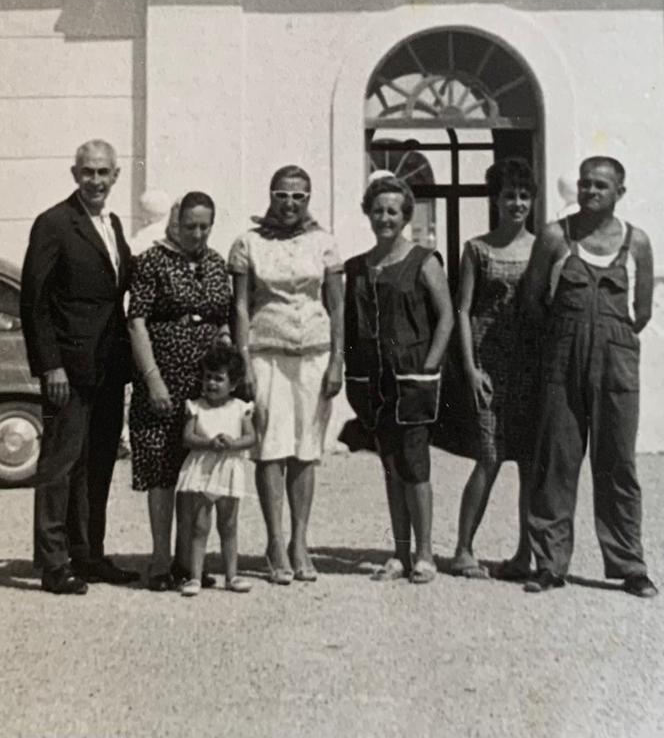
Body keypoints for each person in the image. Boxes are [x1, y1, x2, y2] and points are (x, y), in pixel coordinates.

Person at [521, 155, 659, 597]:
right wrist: (568, 333)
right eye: (585, 184)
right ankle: (549, 563)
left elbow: (643, 310)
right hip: (562, 358)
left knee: (618, 462)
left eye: (601, 185)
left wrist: (610, 338)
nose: (590, 192)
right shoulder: (555, 238)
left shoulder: (636, 243)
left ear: (620, 191)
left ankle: (629, 565)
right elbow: (533, 299)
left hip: (616, 360)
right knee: (556, 461)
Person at [20, 139, 139, 595]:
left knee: (99, 463)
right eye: (87, 172)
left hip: (109, 365)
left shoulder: (111, 224)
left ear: (115, 176)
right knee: (59, 466)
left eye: (103, 172)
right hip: (68, 368)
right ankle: (53, 562)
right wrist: (50, 366)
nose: (95, 181)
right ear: (75, 175)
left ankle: (88, 554)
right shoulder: (53, 224)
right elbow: (35, 301)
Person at [230, 164, 344, 585]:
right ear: (271, 195)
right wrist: (242, 359)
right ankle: (274, 541)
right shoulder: (248, 242)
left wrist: (338, 361)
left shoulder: (324, 243)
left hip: (314, 354)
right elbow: (241, 306)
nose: (290, 203)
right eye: (282, 195)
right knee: (271, 448)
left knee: (305, 449)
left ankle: (300, 540)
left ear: (308, 198)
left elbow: (337, 306)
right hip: (265, 353)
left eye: (298, 196)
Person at [342, 175, 454, 584]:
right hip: (372, 378)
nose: (384, 217)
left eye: (392, 211)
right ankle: (400, 554)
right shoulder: (357, 266)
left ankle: (425, 554)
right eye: (377, 210)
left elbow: (445, 315)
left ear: (406, 216)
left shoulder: (424, 260)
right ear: (367, 213)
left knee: (415, 464)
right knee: (390, 465)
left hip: (411, 375)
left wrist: (430, 365)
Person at [128, 192, 233, 591]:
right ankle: (159, 558)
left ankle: (188, 559)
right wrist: (153, 378)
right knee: (161, 468)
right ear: (176, 222)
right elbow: (136, 322)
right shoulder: (154, 260)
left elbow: (222, 320)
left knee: (196, 470)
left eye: (205, 225)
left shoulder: (215, 262)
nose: (197, 233)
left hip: (201, 383)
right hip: (163, 378)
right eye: (190, 225)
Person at [445, 157, 541, 581]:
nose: (516, 203)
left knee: (528, 460)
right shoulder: (477, 249)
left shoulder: (543, 248)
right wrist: (469, 367)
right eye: (509, 196)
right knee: (489, 455)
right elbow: (463, 310)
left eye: (523, 196)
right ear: (495, 200)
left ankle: (524, 553)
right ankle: (464, 549)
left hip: (529, 366)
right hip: (488, 364)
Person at [176, 342, 257, 596]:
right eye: (208, 377)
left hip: (228, 471)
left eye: (218, 379)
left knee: (229, 524)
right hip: (202, 470)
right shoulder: (196, 407)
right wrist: (209, 443)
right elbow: (187, 438)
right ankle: (194, 576)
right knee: (200, 525)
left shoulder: (240, 408)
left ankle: (232, 575)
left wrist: (233, 443)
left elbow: (251, 438)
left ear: (232, 384)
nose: (211, 383)